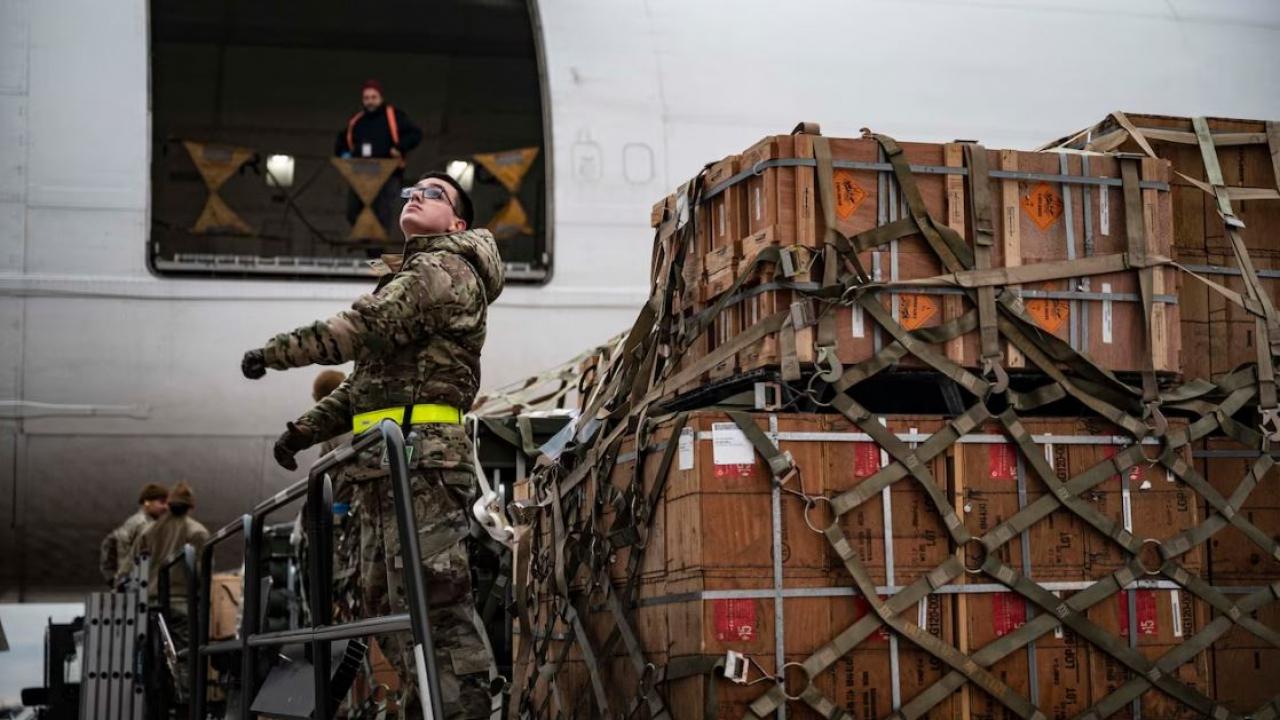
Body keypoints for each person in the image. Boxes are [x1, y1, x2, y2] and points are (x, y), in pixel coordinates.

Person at [240, 171, 503, 718]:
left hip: (423, 463)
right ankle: (422, 706)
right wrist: (304, 431)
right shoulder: (413, 274)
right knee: (386, 601)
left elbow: (361, 327)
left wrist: (275, 352)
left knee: (436, 604)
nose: (415, 198)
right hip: (387, 464)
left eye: (433, 194)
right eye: (411, 193)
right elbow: (364, 388)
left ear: (458, 221)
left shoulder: (443, 269)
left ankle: (466, 711)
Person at [118, 482, 210, 693]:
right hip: (181, 605)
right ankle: (185, 704)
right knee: (184, 658)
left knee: (152, 661)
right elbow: (201, 575)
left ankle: (155, 704)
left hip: (152, 605)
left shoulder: (149, 532)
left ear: (169, 504)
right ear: (191, 507)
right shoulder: (198, 532)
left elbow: (128, 567)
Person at [334, 79, 423, 230]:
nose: (370, 102)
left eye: (373, 97)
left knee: (381, 212)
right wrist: (344, 155)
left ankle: (377, 248)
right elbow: (341, 141)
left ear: (381, 98)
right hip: (361, 173)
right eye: (366, 98)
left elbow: (415, 134)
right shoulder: (357, 121)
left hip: (388, 173)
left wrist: (399, 147)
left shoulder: (394, 116)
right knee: (352, 211)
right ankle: (365, 239)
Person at [99, 483, 168, 585]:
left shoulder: (136, 521)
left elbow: (108, 544)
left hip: (129, 581)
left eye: (167, 503)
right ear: (147, 502)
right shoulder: (143, 524)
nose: (166, 507)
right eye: (162, 502)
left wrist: (112, 578)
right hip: (136, 583)